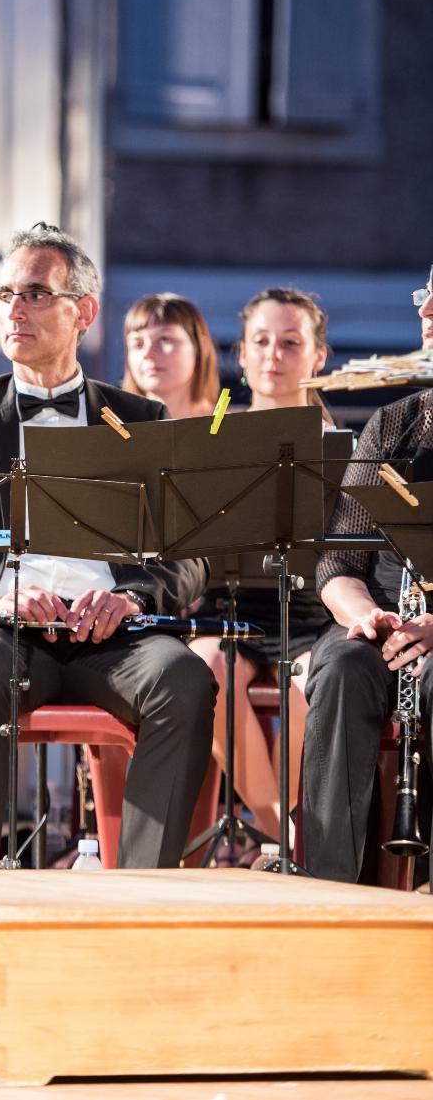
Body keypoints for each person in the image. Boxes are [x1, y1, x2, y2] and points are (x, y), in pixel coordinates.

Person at [0, 223, 214, 869]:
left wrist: (130, 597)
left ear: (83, 312)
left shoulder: (141, 419)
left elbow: (190, 557)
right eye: (5, 294)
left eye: (35, 293)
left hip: (115, 639)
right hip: (3, 636)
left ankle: (142, 895)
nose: (15, 309)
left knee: (185, 679)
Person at [301, 267, 433, 882]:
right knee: (341, 668)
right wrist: (364, 616)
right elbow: (338, 560)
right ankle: (331, 889)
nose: (427, 311)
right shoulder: (396, 422)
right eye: (425, 297)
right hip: (386, 617)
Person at [188, 287, 332, 848]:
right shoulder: (215, 432)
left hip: (310, 613)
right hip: (229, 607)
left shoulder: (338, 443)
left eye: (291, 342)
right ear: (242, 355)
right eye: (261, 341)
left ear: (318, 356)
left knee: (310, 682)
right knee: (206, 668)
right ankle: (282, 836)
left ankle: (281, 838)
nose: (274, 354)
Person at [122, 292, 220, 420]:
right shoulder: (108, 428)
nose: (148, 353)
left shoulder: (231, 427)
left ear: (202, 347)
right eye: (138, 344)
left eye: (165, 339)